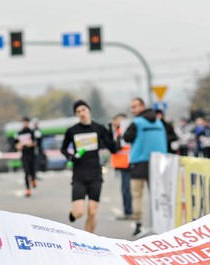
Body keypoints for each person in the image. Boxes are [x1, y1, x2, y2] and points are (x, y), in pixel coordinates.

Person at [60, 100, 115, 233]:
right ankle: (73, 214)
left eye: (83, 110)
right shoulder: (72, 131)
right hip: (79, 175)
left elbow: (113, 148)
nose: (81, 113)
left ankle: (88, 240)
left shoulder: (99, 128)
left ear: (88, 110)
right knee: (79, 212)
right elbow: (63, 149)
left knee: (92, 212)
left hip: (95, 174)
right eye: (78, 112)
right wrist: (70, 157)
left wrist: (110, 134)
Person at [123, 97, 168, 236]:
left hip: (139, 162)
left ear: (142, 106)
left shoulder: (136, 123)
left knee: (137, 195)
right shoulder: (159, 122)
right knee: (157, 194)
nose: (133, 110)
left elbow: (126, 138)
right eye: (132, 107)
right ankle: (160, 224)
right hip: (159, 162)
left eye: (135, 106)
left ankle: (138, 224)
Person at [109, 113, 133, 219]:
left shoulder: (122, 131)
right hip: (124, 164)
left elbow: (116, 147)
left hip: (126, 164)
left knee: (126, 189)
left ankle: (129, 212)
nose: (115, 121)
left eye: (118, 119)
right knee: (126, 189)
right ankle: (129, 211)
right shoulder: (118, 131)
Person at [14, 116, 37, 197]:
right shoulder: (19, 133)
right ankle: (28, 189)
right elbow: (16, 144)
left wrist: (31, 144)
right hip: (24, 155)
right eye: (24, 122)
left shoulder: (32, 132)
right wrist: (18, 146)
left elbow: (36, 142)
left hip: (32, 154)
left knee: (33, 170)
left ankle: (34, 179)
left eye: (26, 122)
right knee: (26, 172)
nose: (25, 123)